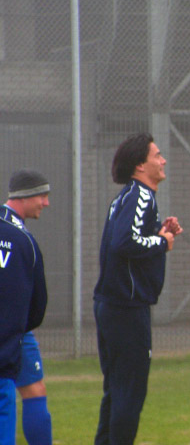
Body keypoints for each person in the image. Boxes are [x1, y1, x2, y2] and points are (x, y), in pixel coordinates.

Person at [93, 132, 182, 445]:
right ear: (140, 165)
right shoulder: (140, 195)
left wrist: (159, 232)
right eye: (157, 155)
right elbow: (124, 242)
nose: (163, 160)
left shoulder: (131, 196)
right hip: (126, 309)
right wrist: (162, 241)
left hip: (112, 305)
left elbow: (128, 239)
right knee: (130, 391)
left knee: (116, 388)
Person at [1, 169, 53, 445]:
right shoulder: (23, 239)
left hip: (13, 330)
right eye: (42, 196)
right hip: (14, 332)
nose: (46, 203)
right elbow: (38, 303)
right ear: (25, 196)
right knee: (31, 392)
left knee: (29, 391)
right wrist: (21, 326)